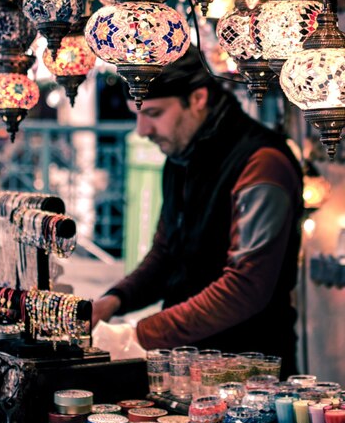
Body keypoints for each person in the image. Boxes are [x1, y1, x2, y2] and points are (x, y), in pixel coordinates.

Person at [92, 45, 303, 379]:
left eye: (154, 113)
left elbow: (245, 286)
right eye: (138, 114)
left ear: (199, 99)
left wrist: (139, 334)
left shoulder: (262, 161)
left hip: (250, 374)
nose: (142, 130)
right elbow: (166, 255)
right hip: (183, 367)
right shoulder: (181, 157)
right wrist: (113, 301)